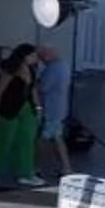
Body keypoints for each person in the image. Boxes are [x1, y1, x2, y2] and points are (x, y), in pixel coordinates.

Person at [0, 44, 41, 187]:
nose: (35, 58)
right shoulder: (12, 70)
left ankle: (25, 173)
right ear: (25, 56)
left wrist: (38, 108)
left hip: (26, 107)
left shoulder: (32, 70)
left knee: (26, 139)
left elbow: (33, 90)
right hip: (9, 108)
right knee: (5, 138)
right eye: (32, 55)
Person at [34, 43, 73, 176]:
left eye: (41, 57)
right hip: (60, 108)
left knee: (42, 138)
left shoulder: (52, 69)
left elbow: (42, 87)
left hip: (51, 108)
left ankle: (36, 166)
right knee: (57, 137)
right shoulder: (64, 66)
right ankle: (66, 167)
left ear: (47, 55)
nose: (41, 60)